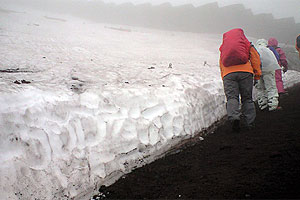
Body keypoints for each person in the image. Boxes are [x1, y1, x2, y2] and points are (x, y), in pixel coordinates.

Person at [219, 28, 261, 132]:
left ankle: (234, 118)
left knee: (232, 98)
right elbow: (255, 58)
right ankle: (249, 123)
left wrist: (224, 76)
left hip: (229, 74)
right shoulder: (246, 43)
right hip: (245, 72)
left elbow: (221, 62)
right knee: (247, 98)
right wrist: (257, 74)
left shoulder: (224, 47)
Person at [255, 39, 281, 111]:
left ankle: (263, 104)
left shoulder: (255, 49)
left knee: (260, 88)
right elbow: (277, 57)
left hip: (258, 71)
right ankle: (273, 105)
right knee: (271, 87)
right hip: (269, 69)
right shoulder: (269, 49)